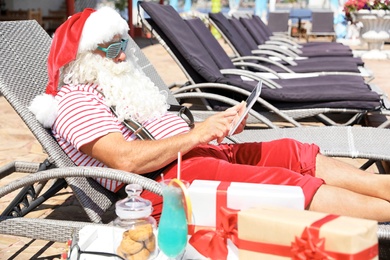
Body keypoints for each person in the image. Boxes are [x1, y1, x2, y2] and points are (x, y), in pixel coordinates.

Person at [29, 6, 390, 222]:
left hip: (199, 155)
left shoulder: (123, 84)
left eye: (123, 43)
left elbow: (170, 131)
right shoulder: (76, 101)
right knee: (282, 185)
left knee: (292, 151)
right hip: (166, 184)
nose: (123, 55)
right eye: (110, 48)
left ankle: (380, 188)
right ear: (83, 58)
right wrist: (195, 135)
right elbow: (123, 159)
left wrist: (213, 128)